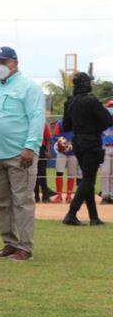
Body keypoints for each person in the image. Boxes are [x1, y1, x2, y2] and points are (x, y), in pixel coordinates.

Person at [0, 47, 45, 261]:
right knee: (2, 201)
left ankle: (25, 246)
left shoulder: (29, 87)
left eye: (3, 61)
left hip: (19, 153)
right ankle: (9, 243)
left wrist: (30, 147)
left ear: (15, 62)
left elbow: (37, 118)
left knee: (22, 200)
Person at [61, 72, 112, 225]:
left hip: (78, 142)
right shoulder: (92, 100)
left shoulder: (69, 102)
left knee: (87, 180)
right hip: (92, 142)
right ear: (85, 83)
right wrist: (95, 126)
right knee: (89, 179)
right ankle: (71, 213)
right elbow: (108, 120)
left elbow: (67, 126)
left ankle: (94, 217)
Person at [51, 119, 80, 203]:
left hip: (73, 152)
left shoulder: (77, 121)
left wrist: (73, 143)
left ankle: (69, 196)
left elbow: (79, 135)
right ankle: (59, 196)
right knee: (59, 172)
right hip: (62, 152)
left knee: (72, 174)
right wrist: (61, 141)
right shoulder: (60, 122)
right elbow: (55, 136)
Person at [101, 101, 113, 204]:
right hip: (105, 148)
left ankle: (111, 195)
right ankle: (105, 196)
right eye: (110, 107)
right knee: (105, 173)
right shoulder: (102, 121)